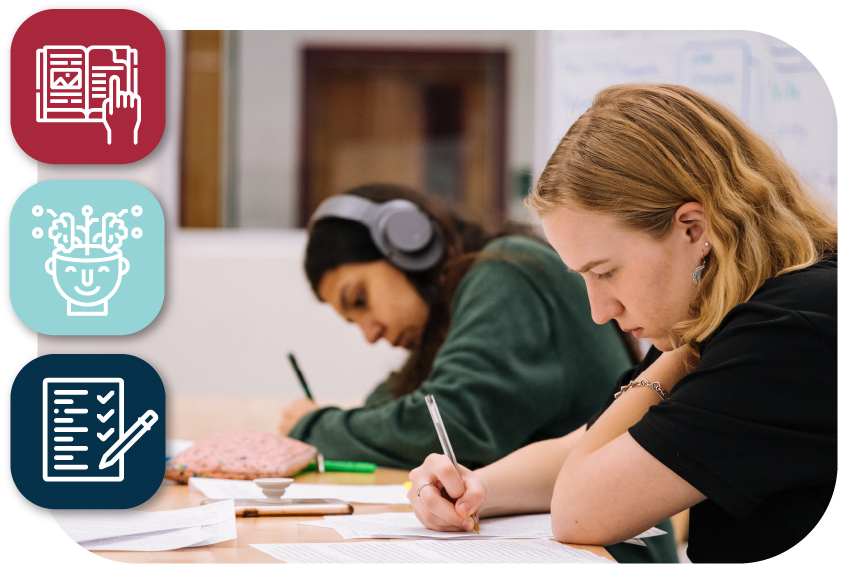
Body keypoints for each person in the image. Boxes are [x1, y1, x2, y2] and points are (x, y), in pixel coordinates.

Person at [408, 83, 837, 563]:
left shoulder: (788, 329)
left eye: (606, 272)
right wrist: (476, 485)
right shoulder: (729, 307)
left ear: (694, 229)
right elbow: (601, 449)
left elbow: (581, 510)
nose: (599, 311)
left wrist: (679, 354)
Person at [280, 183, 678, 563]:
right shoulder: (457, 309)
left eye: (361, 299)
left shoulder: (508, 275)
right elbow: (386, 410)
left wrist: (310, 427)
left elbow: (452, 425)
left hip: (608, 558)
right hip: (554, 542)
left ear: (408, 242)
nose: (370, 333)